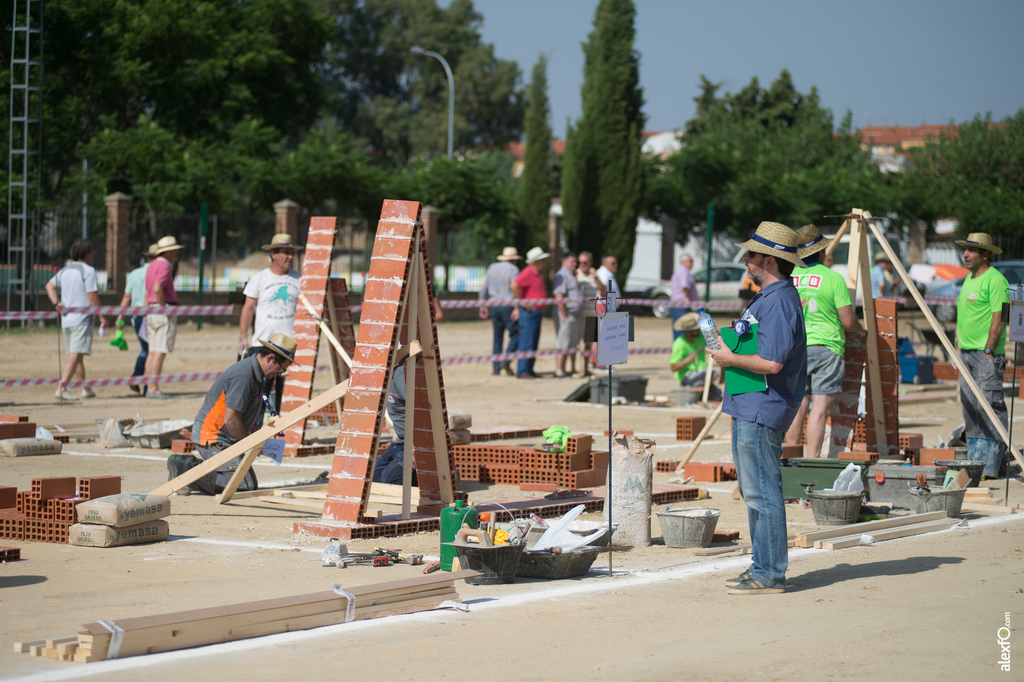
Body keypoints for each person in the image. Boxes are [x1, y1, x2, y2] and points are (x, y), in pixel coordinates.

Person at [708, 221, 806, 595]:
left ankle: (769, 573)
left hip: (762, 407)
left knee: (763, 492)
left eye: (750, 254)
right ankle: (762, 567)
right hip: (751, 404)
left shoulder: (779, 300)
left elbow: (772, 362)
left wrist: (729, 358)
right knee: (755, 492)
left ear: (768, 259)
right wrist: (729, 347)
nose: (745, 260)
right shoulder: (771, 296)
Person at [168, 333, 298, 495]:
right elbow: (230, 419)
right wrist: (252, 444)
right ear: (270, 358)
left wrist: (258, 441)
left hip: (226, 437)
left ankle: (198, 474)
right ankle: (185, 468)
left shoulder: (257, 374)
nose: (280, 374)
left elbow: (244, 417)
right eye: (281, 368)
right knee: (243, 484)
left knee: (246, 482)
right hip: (213, 436)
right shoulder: (244, 376)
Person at [784, 224, 865, 458]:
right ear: (821, 252)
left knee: (798, 407)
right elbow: (848, 321)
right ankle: (811, 462)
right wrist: (860, 330)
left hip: (795, 349)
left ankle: (792, 460)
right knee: (819, 411)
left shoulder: (790, 277)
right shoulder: (832, 278)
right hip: (826, 349)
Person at [955, 232, 1010, 479]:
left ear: (984, 254)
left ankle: (996, 462)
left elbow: (999, 319)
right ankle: (981, 464)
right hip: (966, 354)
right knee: (971, 410)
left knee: (991, 407)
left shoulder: (995, 280)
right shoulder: (968, 280)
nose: (965, 254)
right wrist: (958, 350)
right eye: (965, 249)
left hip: (985, 355)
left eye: (971, 250)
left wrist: (989, 350)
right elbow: (964, 319)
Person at [238, 233, 303, 412]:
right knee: (259, 393)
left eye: (292, 253)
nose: (290, 257)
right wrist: (243, 337)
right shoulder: (259, 279)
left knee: (286, 393)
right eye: (286, 252)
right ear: (274, 254)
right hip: (263, 343)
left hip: (289, 346)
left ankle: (280, 430)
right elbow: (248, 309)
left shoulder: (299, 279)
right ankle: (257, 427)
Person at [45, 238, 107, 400]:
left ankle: (85, 387)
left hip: (67, 320)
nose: (94, 254)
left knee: (77, 355)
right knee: (75, 355)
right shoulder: (88, 270)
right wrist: (102, 317)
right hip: (81, 319)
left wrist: (56, 303)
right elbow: (92, 296)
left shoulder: (65, 270)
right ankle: (62, 387)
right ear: (86, 254)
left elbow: (49, 286)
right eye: (92, 252)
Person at [144, 236, 184, 398]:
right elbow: (157, 288)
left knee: (152, 351)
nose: (177, 253)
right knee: (160, 351)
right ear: (167, 252)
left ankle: (149, 386)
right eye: (175, 250)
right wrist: (163, 307)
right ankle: (153, 388)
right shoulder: (165, 266)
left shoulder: (152, 265)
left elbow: (149, 290)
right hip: (161, 309)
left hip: (151, 309)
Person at [117, 243, 158, 395]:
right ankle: (145, 384)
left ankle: (137, 379)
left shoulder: (134, 273)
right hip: (150, 314)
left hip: (136, 317)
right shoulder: (156, 272)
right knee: (151, 351)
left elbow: (127, 296)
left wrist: (120, 316)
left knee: (146, 350)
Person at [478, 246, 521, 376]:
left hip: (494, 306)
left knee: (497, 338)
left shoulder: (492, 267)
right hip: (508, 306)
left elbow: (484, 287)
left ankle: (496, 368)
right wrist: (517, 308)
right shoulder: (514, 269)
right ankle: (506, 360)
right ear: (514, 259)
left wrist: (482, 305)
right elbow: (516, 288)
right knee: (516, 335)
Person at [372, 363, 415, 486]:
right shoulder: (383, 377)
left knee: (389, 481)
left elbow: (420, 410)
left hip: (414, 442)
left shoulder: (400, 376)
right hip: (402, 442)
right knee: (373, 478)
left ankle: (427, 475)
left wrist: (416, 448)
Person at [511, 246, 549, 378]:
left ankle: (529, 369)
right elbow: (514, 286)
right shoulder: (528, 272)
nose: (545, 262)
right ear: (536, 261)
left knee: (533, 342)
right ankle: (522, 371)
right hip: (529, 313)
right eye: (543, 260)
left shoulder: (537, 273)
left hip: (536, 312)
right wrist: (523, 302)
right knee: (527, 341)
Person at [575, 251, 606, 376]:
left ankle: (585, 368)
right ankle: (574, 368)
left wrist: (596, 277)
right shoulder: (576, 274)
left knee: (588, 343)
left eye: (585, 262)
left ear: (590, 263)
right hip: (579, 313)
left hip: (591, 313)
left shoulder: (595, 275)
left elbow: (603, 292)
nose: (582, 265)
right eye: (580, 262)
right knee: (576, 342)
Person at [553, 252, 583, 378]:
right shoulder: (561, 275)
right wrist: (564, 315)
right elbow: (559, 296)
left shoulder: (571, 274)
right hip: (567, 314)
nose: (575, 264)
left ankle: (571, 368)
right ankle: (559, 370)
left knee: (572, 343)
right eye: (572, 262)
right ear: (564, 262)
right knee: (563, 343)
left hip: (575, 315)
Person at [669, 254, 699, 341]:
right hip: (682, 306)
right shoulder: (684, 272)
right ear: (684, 262)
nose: (692, 263)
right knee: (683, 330)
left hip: (678, 305)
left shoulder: (682, 271)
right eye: (690, 261)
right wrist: (689, 301)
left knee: (680, 329)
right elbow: (685, 287)